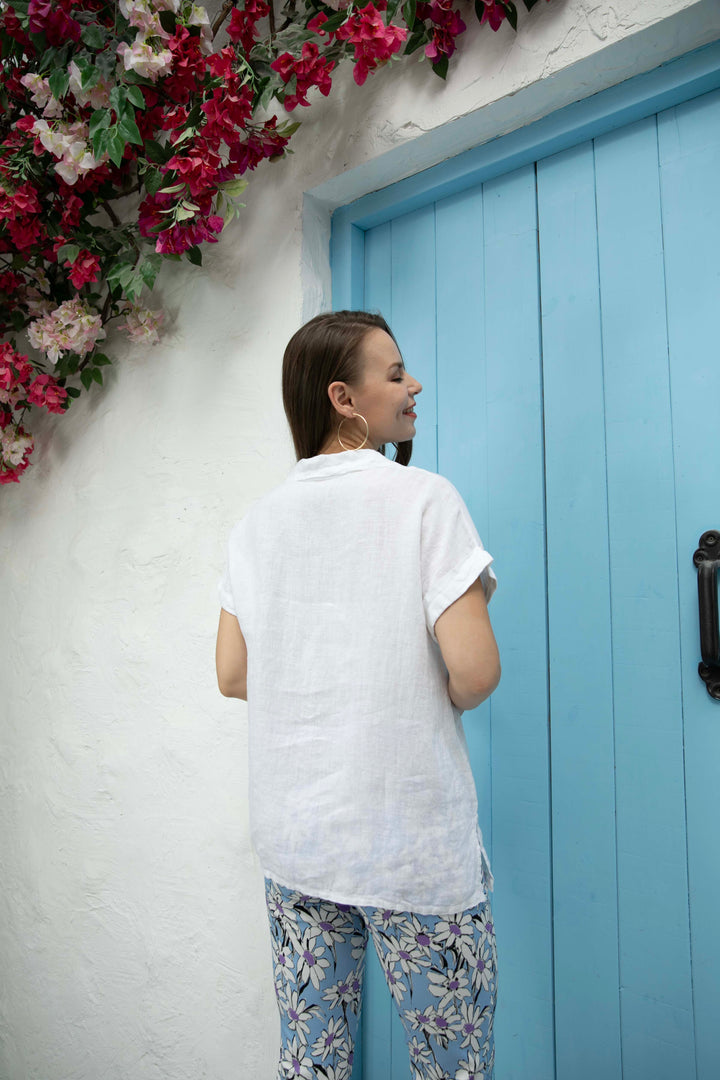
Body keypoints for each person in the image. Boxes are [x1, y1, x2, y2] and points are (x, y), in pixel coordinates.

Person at [215, 310, 501, 1080]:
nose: (414, 385)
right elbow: (475, 673)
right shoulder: (424, 499)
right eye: (396, 372)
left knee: (312, 1059)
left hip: (296, 838)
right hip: (408, 840)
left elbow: (234, 675)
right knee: (453, 1063)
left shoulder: (256, 524)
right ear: (343, 397)